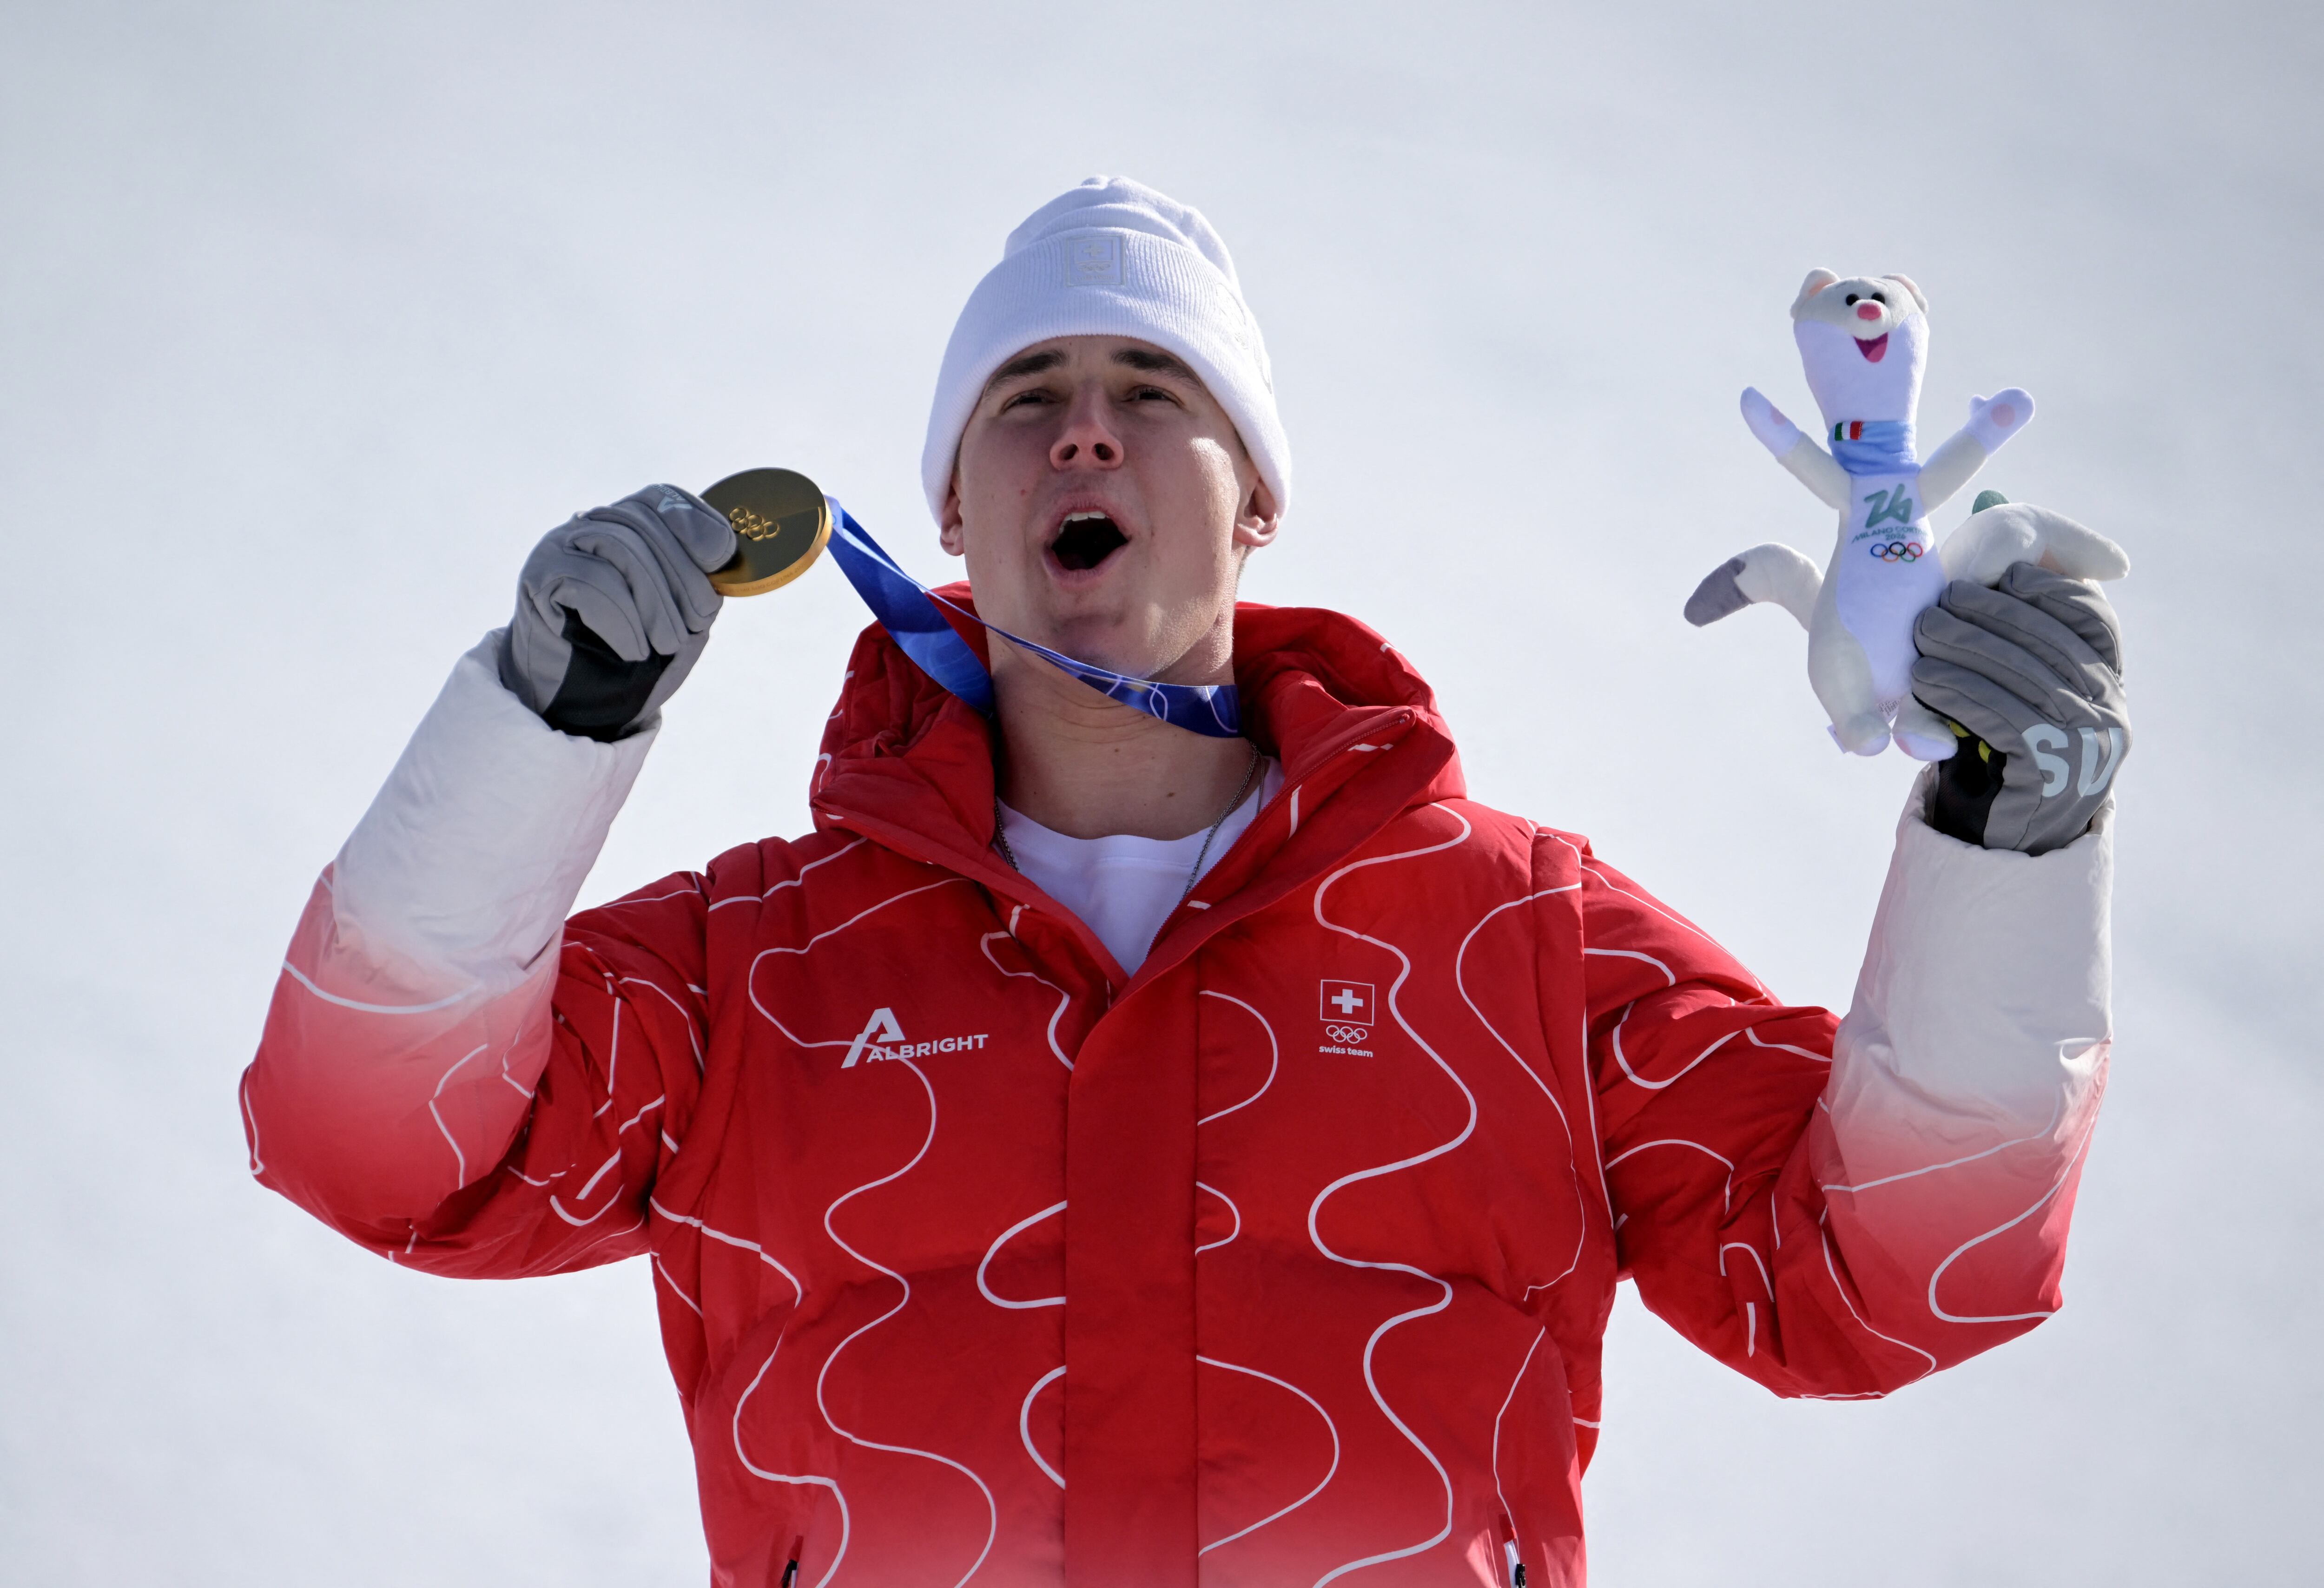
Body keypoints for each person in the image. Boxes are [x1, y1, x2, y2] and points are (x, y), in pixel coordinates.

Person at [242, 177, 2129, 1588]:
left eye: (1154, 389)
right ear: (956, 521)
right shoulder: (754, 968)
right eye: (1025, 397)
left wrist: (2011, 855)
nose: (1085, 426)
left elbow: (1881, 1274)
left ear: (1253, 503)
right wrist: (536, 725)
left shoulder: (1517, 939)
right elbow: (378, 1145)